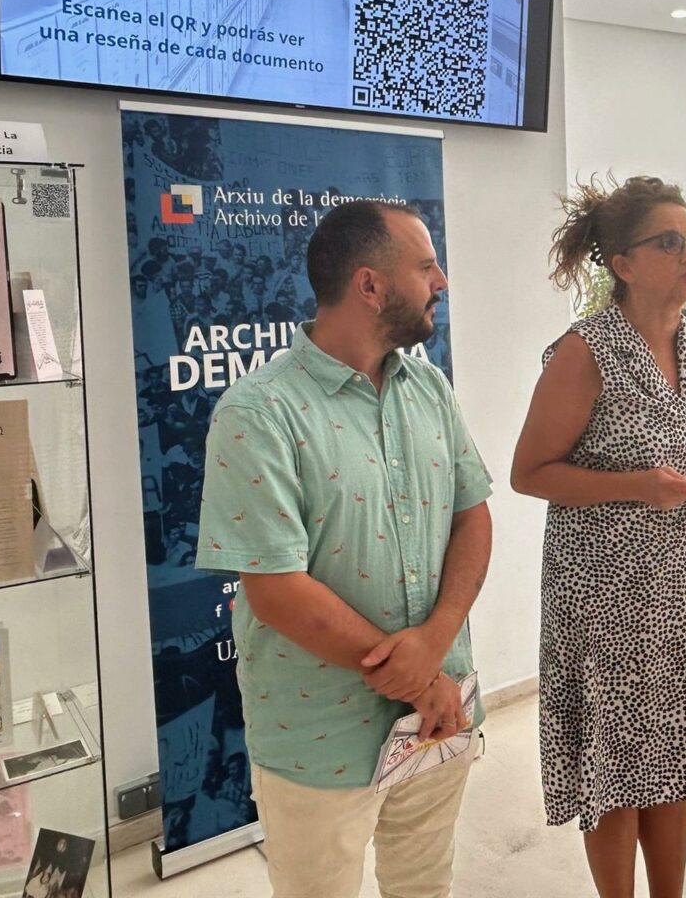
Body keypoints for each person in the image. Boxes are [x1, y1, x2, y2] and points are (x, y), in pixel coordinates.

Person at [196, 200, 493, 898]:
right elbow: (277, 591)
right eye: (426, 267)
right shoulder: (257, 412)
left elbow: (472, 515)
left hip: (439, 714)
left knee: (425, 886)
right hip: (319, 741)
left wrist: (435, 648)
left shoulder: (428, 387)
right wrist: (418, 677)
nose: (441, 282)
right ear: (370, 285)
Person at [512, 176, 686, 898]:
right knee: (619, 770)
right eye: (669, 242)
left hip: (682, 584)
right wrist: (637, 486)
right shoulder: (585, 351)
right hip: (606, 595)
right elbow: (530, 473)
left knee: (677, 759)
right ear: (623, 264)